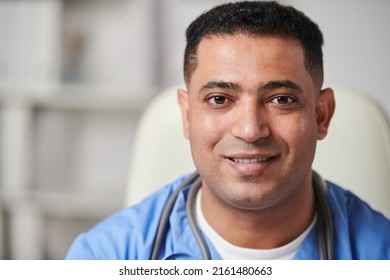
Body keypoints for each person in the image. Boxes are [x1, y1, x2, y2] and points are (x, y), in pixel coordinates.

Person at [66, 1, 390, 260]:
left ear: (322, 115)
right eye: (219, 99)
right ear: (187, 115)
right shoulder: (104, 257)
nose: (250, 129)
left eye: (281, 99)